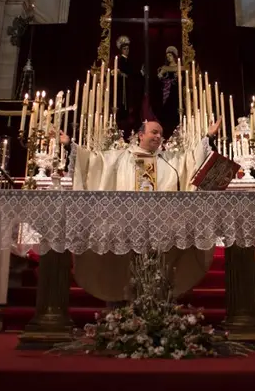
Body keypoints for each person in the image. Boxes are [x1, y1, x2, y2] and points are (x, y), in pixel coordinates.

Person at [57, 118, 221, 302]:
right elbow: (91, 162)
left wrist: (208, 136)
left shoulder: (170, 160)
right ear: (141, 135)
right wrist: (69, 145)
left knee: (158, 269)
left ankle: (156, 301)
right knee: (126, 270)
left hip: (161, 228)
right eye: (154, 132)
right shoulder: (119, 158)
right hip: (126, 226)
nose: (158, 137)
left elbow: (192, 160)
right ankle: (126, 302)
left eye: (161, 134)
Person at [156, 46, 180, 135]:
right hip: (167, 92)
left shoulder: (179, 67)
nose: (169, 58)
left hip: (176, 92)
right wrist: (162, 75)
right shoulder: (165, 68)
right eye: (167, 56)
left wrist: (179, 77)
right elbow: (159, 77)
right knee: (167, 109)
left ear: (174, 56)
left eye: (170, 55)